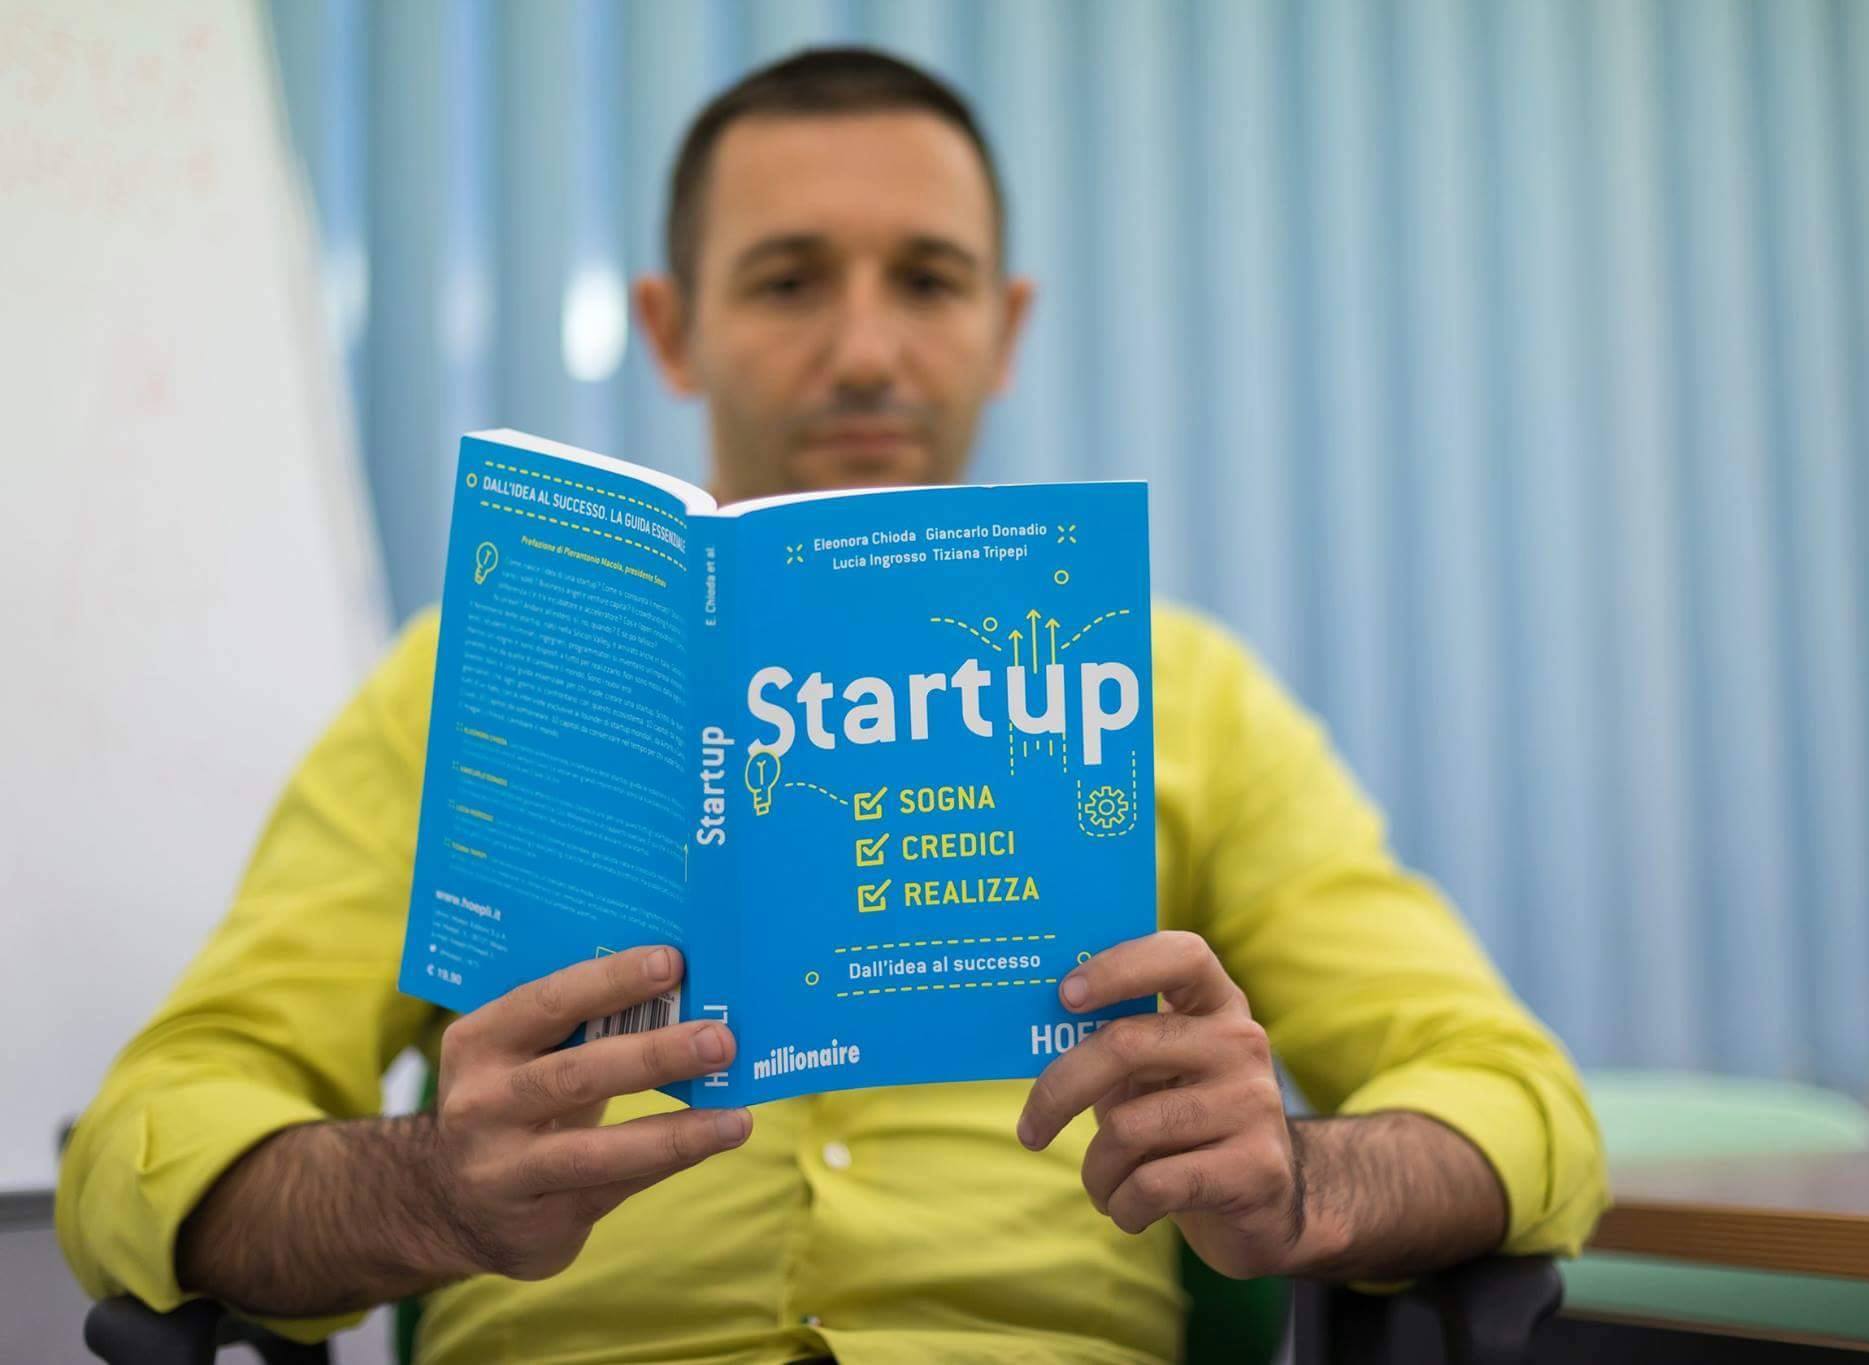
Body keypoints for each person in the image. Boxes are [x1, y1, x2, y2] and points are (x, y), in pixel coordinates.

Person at [57, 47, 1607, 1365]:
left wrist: (1301, 1180)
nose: (866, 352)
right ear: (673, 327)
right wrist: (428, 1187)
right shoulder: (476, 681)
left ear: (1005, 325)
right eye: (789, 280)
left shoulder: (1178, 691)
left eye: (928, 281)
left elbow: (1513, 1096)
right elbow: (154, 1130)